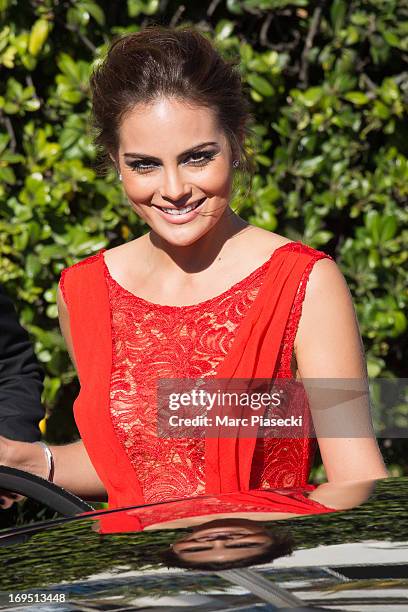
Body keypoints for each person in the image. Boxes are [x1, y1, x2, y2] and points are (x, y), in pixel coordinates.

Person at [0, 25, 388, 519]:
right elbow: (135, 459)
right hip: (131, 584)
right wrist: (31, 460)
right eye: (144, 165)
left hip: (258, 585)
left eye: (197, 157)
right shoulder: (85, 291)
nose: (174, 188)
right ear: (115, 165)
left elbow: (357, 480)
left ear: (237, 143)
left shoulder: (304, 283)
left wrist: (224, 536)